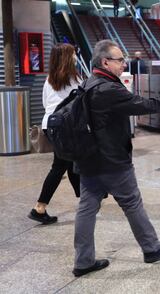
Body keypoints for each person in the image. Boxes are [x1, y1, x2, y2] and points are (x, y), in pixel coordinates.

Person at [72, 40, 160, 277]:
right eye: (120, 59)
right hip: (111, 160)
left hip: (87, 157)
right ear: (105, 62)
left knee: (86, 208)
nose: (124, 63)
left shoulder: (88, 84)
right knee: (132, 203)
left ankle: (83, 262)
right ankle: (152, 249)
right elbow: (147, 105)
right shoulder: (109, 89)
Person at [28, 43, 82, 225]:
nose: (75, 57)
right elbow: (80, 102)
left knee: (70, 161)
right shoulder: (73, 78)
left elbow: (45, 104)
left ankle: (84, 197)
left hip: (49, 124)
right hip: (64, 127)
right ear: (68, 57)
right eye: (73, 54)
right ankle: (39, 207)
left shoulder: (50, 78)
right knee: (60, 165)